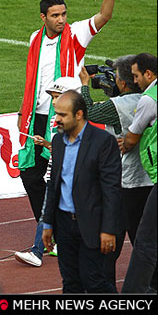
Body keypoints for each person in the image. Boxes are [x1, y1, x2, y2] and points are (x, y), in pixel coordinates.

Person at [18, 0, 117, 250]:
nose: (61, 19)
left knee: (63, 175)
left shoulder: (75, 34)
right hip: (36, 116)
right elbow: (32, 80)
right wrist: (23, 112)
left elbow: (105, 15)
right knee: (31, 174)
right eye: (55, 15)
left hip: (66, 116)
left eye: (64, 14)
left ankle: (55, 236)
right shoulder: (35, 38)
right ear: (43, 17)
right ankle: (51, 231)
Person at [79, 55, 155, 286]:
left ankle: (107, 289)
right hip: (149, 179)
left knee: (113, 239)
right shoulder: (149, 96)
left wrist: (84, 85)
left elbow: (88, 113)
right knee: (146, 238)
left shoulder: (117, 106)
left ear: (123, 83)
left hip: (127, 181)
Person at [42, 91, 122, 293]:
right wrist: (48, 223)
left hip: (92, 225)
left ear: (79, 114)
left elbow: (111, 189)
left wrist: (109, 229)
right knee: (70, 283)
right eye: (56, 113)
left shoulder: (103, 141)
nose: (57, 119)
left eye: (62, 114)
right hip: (64, 224)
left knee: (94, 282)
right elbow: (53, 185)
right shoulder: (58, 142)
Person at [14, 76, 81, 267]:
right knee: (47, 212)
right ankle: (39, 251)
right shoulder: (55, 119)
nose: (53, 101)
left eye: (57, 96)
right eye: (52, 97)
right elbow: (59, 147)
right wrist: (45, 143)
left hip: (71, 175)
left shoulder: (77, 121)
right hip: (56, 172)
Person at [120, 53, 157, 293]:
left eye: (136, 76)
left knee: (145, 240)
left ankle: (133, 294)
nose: (135, 81)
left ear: (149, 74)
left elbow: (131, 138)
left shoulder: (148, 99)